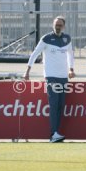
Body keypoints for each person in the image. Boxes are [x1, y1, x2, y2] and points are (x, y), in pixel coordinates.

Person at [24, 15, 75, 143]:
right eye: (56, 24)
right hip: (51, 76)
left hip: (63, 77)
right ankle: (53, 134)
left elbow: (71, 55)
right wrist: (27, 71)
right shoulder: (46, 38)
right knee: (53, 104)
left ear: (64, 26)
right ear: (53, 25)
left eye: (60, 25)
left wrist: (71, 69)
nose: (58, 27)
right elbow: (35, 54)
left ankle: (56, 132)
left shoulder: (67, 38)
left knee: (60, 105)